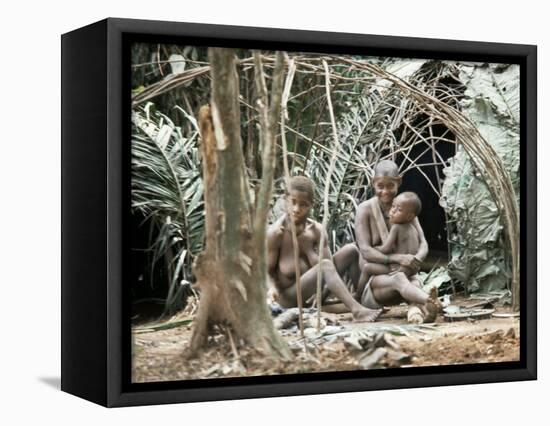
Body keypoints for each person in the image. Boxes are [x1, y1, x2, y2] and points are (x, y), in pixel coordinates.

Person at [267, 176, 381, 322]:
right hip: (288, 297)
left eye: (303, 205)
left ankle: (361, 301)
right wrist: (272, 289)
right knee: (324, 266)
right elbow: (267, 272)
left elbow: (331, 270)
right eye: (292, 202)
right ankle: (358, 311)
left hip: (312, 292)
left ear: (311, 205)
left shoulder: (316, 231)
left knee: (351, 250)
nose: (296, 209)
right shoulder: (277, 233)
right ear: (285, 199)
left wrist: (321, 295)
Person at [354, 160, 440, 322]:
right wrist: (397, 258)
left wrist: (416, 260)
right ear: (373, 183)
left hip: (405, 275)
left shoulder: (404, 207)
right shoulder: (365, 209)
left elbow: (423, 243)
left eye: (390, 186)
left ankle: (424, 311)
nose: (385, 191)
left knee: (412, 282)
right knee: (400, 279)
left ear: (399, 181)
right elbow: (365, 250)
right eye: (380, 186)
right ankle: (429, 300)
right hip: (377, 283)